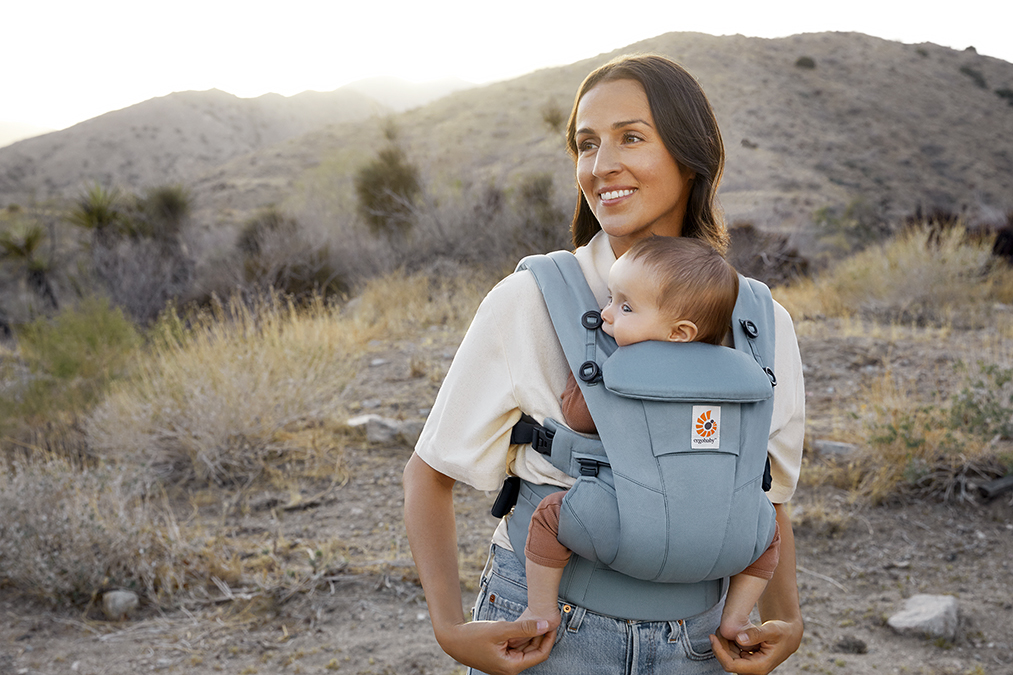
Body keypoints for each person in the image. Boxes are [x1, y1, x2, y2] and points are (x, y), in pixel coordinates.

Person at [403, 53, 805, 675]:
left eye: (632, 138)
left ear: (690, 154)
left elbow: (766, 494)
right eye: (586, 145)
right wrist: (450, 627)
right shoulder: (532, 299)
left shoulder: (760, 321)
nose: (601, 165)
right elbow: (428, 474)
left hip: (702, 640)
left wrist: (788, 620)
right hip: (551, 630)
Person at [516, 235, 782, 651]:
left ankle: (540, 609)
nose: (605, 314)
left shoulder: (621, 374)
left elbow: (579, 417)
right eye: (610, 298)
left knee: (551, 516)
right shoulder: (740, 377)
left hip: (630, 531)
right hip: (721, 534)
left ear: (679, 332)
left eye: (625, 307)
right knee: (767, 532)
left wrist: (581, 378)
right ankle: (737, 618)